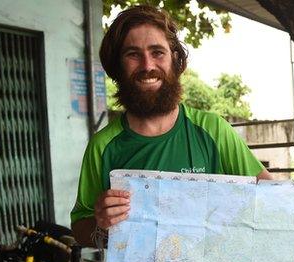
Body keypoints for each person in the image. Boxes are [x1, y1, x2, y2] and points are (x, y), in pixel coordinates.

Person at [71, 5, 272, 248]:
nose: (147, 66)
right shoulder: (102, 146)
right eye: (133, 54)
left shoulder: (214, 130)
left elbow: (274, 198)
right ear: (117, 67)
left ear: (175, 60)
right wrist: (100, 223)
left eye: (157, 52)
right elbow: (81, 229)